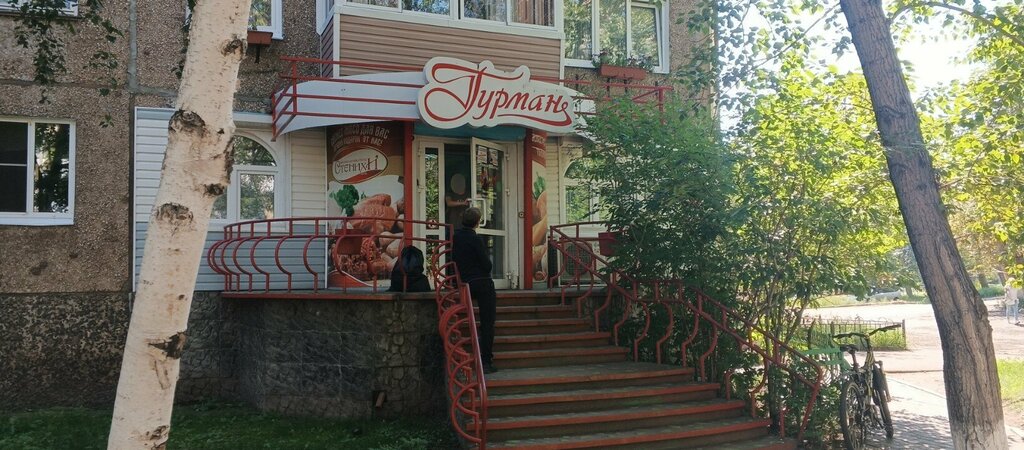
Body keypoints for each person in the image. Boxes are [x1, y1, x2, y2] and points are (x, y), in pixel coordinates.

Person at [452, 207, 498, 374]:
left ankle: (469, 357)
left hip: (466, 283)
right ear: (477, 222)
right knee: (487, 322)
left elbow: (454, 259)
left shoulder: (456, 237)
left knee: (471, 319)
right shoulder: (475, 239)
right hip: (482, 282)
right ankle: (486, 361)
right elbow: (486, 264)